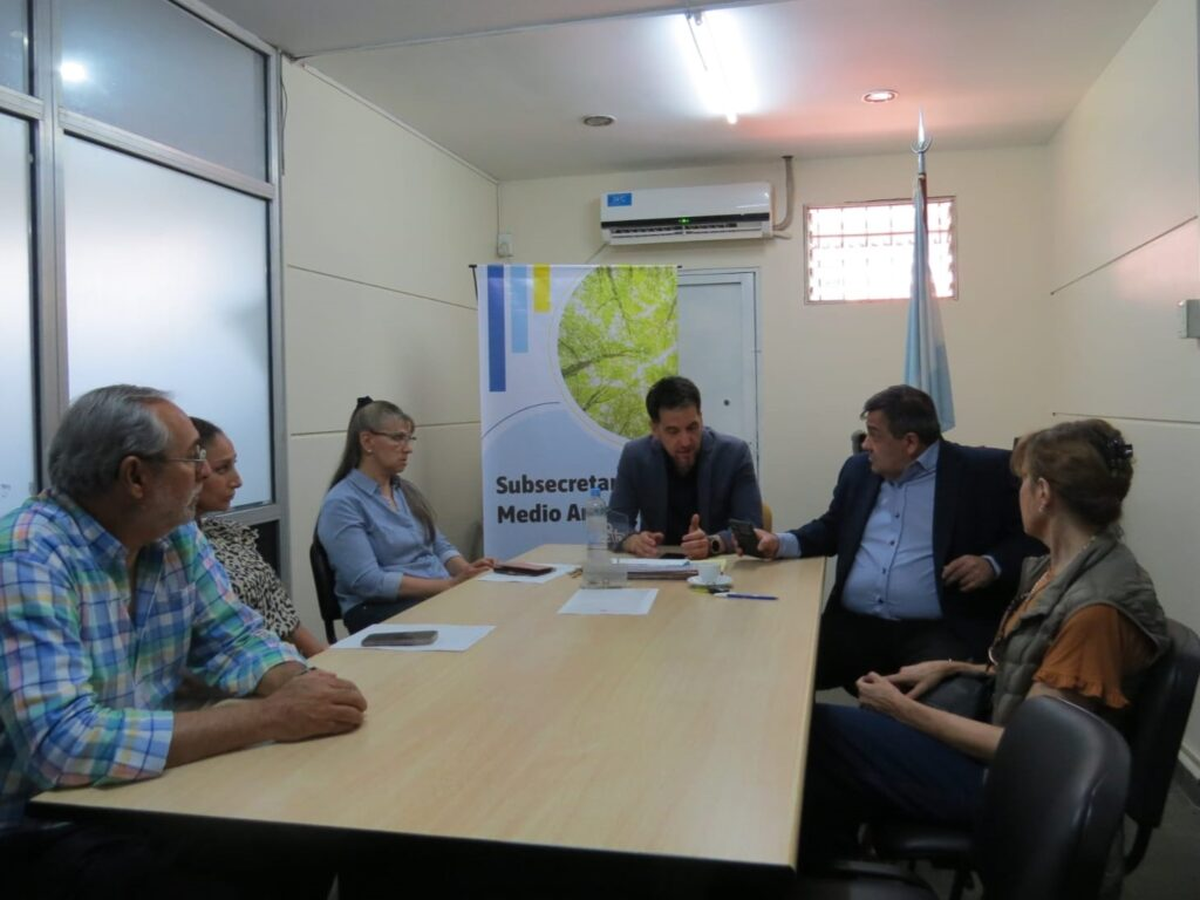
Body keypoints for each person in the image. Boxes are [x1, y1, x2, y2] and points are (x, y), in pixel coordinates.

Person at [0, 385, 367, 898]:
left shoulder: (174, 533)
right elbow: (63, 745)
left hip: (147, 794)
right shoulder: (26, 557)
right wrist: (269, 717)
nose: (204, 471)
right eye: (193, 456)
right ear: (135, 476)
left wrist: (305, 685)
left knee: (317, 831)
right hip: (44, 826)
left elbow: (234, 636)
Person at [798, 418, 1168, 864]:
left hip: (1018, 793)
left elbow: (1034, 748)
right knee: (831, 735)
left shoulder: (1098, 610)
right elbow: (1041, 679)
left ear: (1044, 494)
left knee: (819, 737)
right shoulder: (1066, 569)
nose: (1020, 493)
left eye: (1025, 482)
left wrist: (905, 712)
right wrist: (958, 667)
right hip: (1002, 761)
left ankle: (828, 875)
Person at [749, 385, 1042, 689]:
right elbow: (833, 527)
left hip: (934, 631)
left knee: (946, 702)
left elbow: (1036, 538)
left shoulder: (983, 472)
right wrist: (779, 543)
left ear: (910, 442)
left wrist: (991, 564)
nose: (865, 445)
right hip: (853, 625)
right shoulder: (858, 470)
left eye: (874, 434)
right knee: (774, 672)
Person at [317, 397, 494, 633]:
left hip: (432, 596)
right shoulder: (342, 503)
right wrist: (447, 585)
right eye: (398, 438)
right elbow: (368, 582)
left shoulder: (405, 490)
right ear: (367, 441)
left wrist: (467, 572)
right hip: (381, 609)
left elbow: (438, 545)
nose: (408, 448)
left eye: (409, 438)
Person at [192, 417, 327, 658]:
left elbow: (284, 616)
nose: (237, 480)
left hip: (278, 664)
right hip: (246, 675)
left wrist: (324, 658)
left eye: (234, 465)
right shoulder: (172, 552)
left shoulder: (230, 534)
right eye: (222, 469)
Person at [608, 375, 763, 560]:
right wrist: (631, 541)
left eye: (692, 427)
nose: (685, 441)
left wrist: (713, 543)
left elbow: (752, 526)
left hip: (715, 568)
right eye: (673, 431)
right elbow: (612, 525)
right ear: (655, 429)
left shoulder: (734, 454)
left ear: (701, 418)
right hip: (657, 567)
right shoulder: (635, 455)